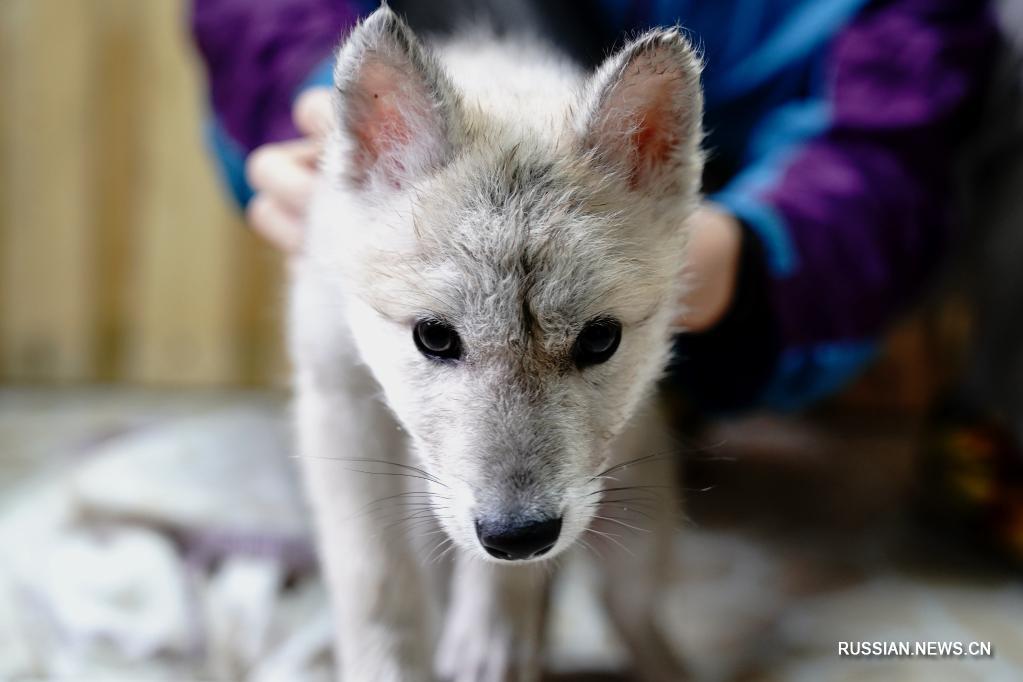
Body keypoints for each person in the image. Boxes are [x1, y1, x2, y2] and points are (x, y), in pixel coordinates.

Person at [194, 0, 1022, 560]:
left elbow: (896, 132)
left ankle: (661, 368)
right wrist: (321, 108)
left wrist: (755, 255)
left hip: (702, 193)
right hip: (436, 153)